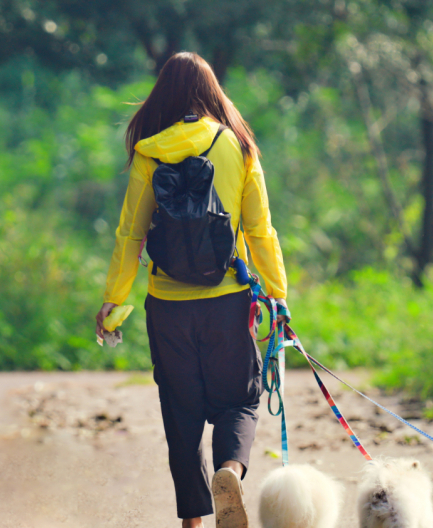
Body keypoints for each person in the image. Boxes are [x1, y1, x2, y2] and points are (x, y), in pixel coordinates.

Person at [95, 51, 288, 528]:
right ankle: (229, 471)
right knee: (239, 400)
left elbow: (130, 234)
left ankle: (192, 522)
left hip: (168, 305)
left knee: (180, 412)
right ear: (212, 92)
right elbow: (261, 229)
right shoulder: (238, 146)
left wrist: (114, 299)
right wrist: (278, 294)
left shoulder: (149, 149)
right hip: (227, 300)